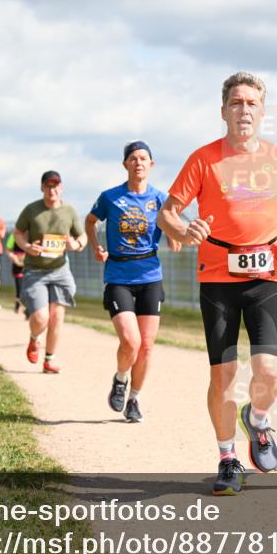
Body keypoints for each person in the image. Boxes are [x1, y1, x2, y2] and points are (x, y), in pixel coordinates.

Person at [158, 72, 277, 495]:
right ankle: (227, 458)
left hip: (265, 276)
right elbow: (168, 212)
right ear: (223, 111)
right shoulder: (204, 158)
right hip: (217, 278)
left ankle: (256, 419)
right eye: (236, 103)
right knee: (223, 374)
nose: (244, 110)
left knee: (270, 373)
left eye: (252, 103)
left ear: (263, 110)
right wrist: (185, 231)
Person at [86, 140, 181, 423]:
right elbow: (91, 221)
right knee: (131, 341)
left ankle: (135, 399)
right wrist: (96, 247)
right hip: (118, 275)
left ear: (151, 165)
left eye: (144, 158)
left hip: (151, 276)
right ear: (125, 164)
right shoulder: (110, 197)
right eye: (133, 158)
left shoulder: (161, 198)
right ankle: (120, 378)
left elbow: (172, 224)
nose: (139, 163)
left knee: (147, 345)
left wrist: (175, 237)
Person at [14, 170, 86, 375]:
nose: (52, 189)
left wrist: (77, 244)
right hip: (35, 271)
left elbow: (82, 237)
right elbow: (18, 233)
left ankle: (49, 359)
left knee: (57, 317)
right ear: (42, 188)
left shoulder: (69, 211)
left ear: (61, 187)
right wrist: (27, 247)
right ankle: (35, 338)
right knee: (41, 318)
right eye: (48, 186)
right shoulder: (32, 210)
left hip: (60, 270)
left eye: (56, 185)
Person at [6, 233, 27, 318]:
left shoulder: (34, 234)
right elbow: (8, 250)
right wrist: (13, 258)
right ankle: (18, 305)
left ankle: (27, 310)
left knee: (29, 289)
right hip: (17, 265)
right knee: (20, 288)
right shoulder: (13, 235)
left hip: (30, 266)